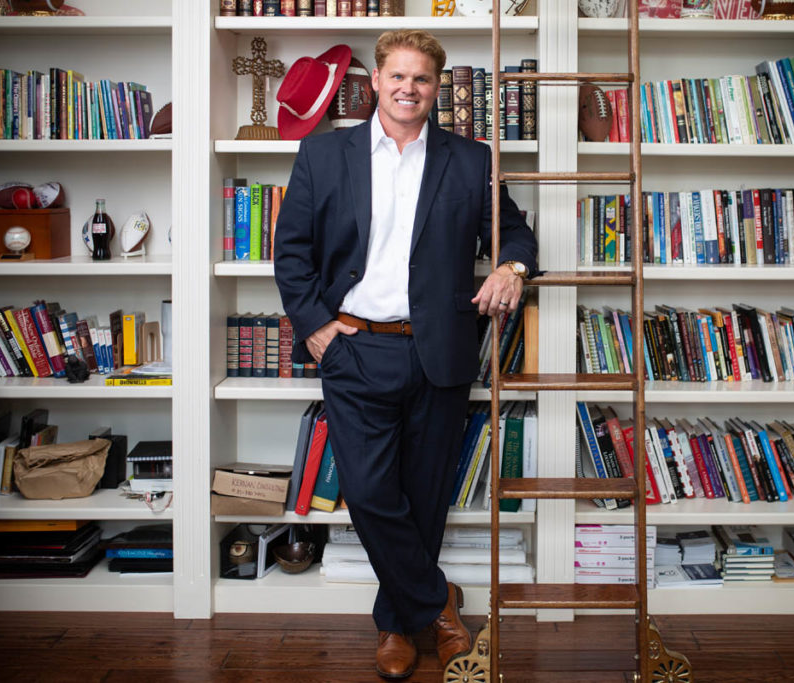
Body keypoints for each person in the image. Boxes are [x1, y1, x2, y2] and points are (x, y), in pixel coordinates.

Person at [273, 29, 538, 680]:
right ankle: (439, 608)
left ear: (435, 87)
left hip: (438, 350)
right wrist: (315, 327)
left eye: (421, 78)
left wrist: (512, 267)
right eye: (397, 76)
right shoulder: (323, 153)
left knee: (423, 497)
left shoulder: (470, 160)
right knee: (367, 490)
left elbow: (518, 231)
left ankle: (397, 622)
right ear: (376, 82)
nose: (408, 88)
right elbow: (292, 252)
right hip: (354, 346)